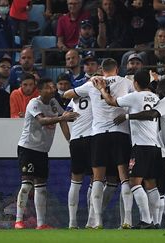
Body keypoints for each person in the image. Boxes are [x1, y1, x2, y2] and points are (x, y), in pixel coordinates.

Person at [113, 79, 165, 230]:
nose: (157, 93)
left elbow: (153, 114)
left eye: (158, 90)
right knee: (159, 185)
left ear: (163, 90)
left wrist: (128, 117)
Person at [64, 58, 135, 229]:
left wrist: (89, 84)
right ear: (117, 68)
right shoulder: (126, 82)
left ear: (102, 70)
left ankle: (97, 221)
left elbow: (66, 94)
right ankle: (127, 221)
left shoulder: (91, 84)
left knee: (97, 178)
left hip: (98, 135)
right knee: (124, 177)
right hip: (120, 132)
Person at [95, 69, 161, 228]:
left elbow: (111, 101)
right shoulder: (156, 97)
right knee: (151, 185)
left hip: (141, 146)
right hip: (155, 146)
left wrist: (102, 89)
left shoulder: (134, 96)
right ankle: (156, 221)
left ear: (135, 83)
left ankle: (146, 220)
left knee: (134, 182)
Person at [14, 77, 78, 230]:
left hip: (42, 150)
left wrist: (70, 140)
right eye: (48, 87)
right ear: (40, 90)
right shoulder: (34, 103)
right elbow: (42, 121)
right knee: (26, 185)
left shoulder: (54, 103)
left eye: (53, 87)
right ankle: (18, 220)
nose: (53, 90)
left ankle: (41, 223)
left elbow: (63, 120)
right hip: (28, 148)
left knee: (41, 187)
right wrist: (62, 117)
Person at [65, 75, 93, 229]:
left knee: (75, 182)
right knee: (95, 180)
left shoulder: (74, 98)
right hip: (91, 139)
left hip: (76, 140)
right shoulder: (98, 95)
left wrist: (69, 138)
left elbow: (63, 117)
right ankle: (90, 221)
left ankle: (72, 223)